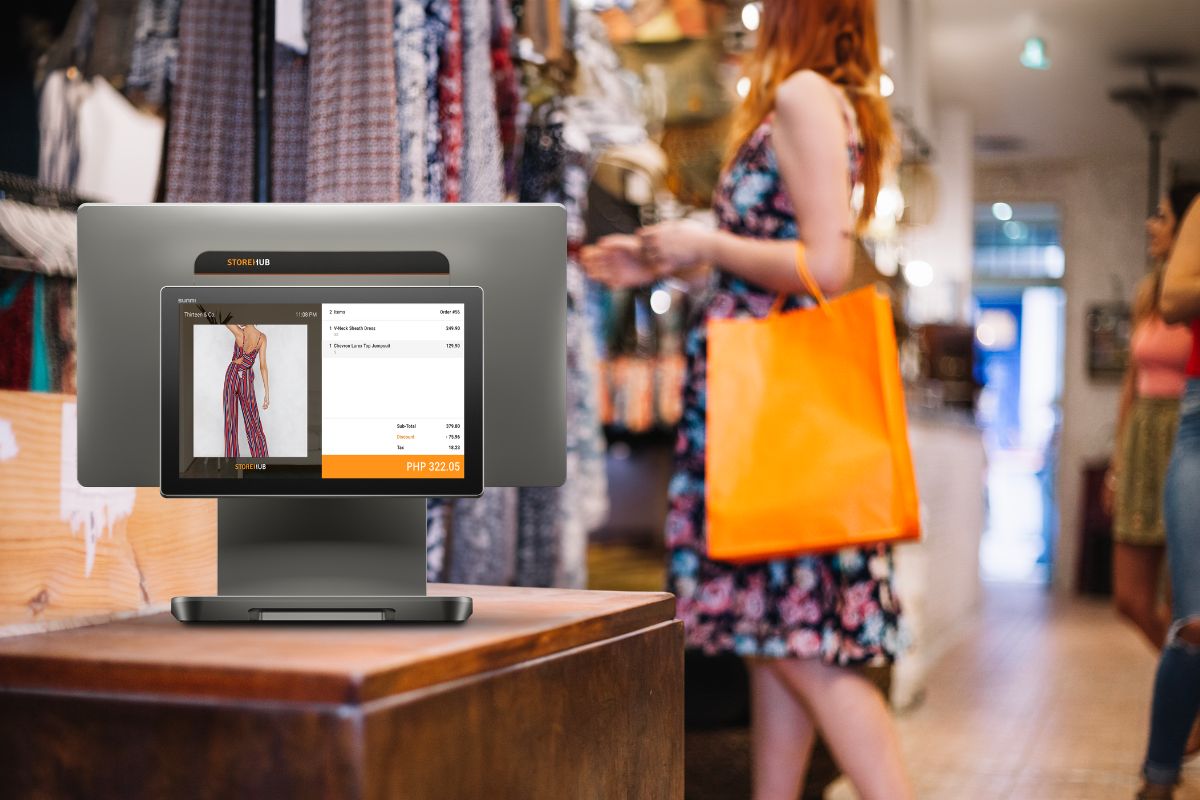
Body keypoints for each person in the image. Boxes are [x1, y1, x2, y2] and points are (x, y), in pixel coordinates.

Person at [582, 0, 912, 797]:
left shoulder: (801, 93)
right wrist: (670, 260)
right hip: (767, 414)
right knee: (775, 641)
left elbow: (824, 265)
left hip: (771, 422)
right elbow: (779, 256)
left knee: (798, 648)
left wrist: (704, 241)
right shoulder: (821, 96)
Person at [1107, 185, 1200, 650]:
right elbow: (1131, 381)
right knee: (1130, 598)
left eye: (1162, 217)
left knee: (1182, 600)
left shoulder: (1191, 299)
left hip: (1185, 432)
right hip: (1143, 437)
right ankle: (1183, 672)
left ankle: (1183, 677)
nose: (1151, 225)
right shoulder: (1150, 292)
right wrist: (1117, 462)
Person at [1138, 194, 1200, 799]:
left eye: (1161, 215)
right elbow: (1176, 299)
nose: (1151, 224)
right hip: (1195, 419)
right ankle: (1158, 781)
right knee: (1193, 620)